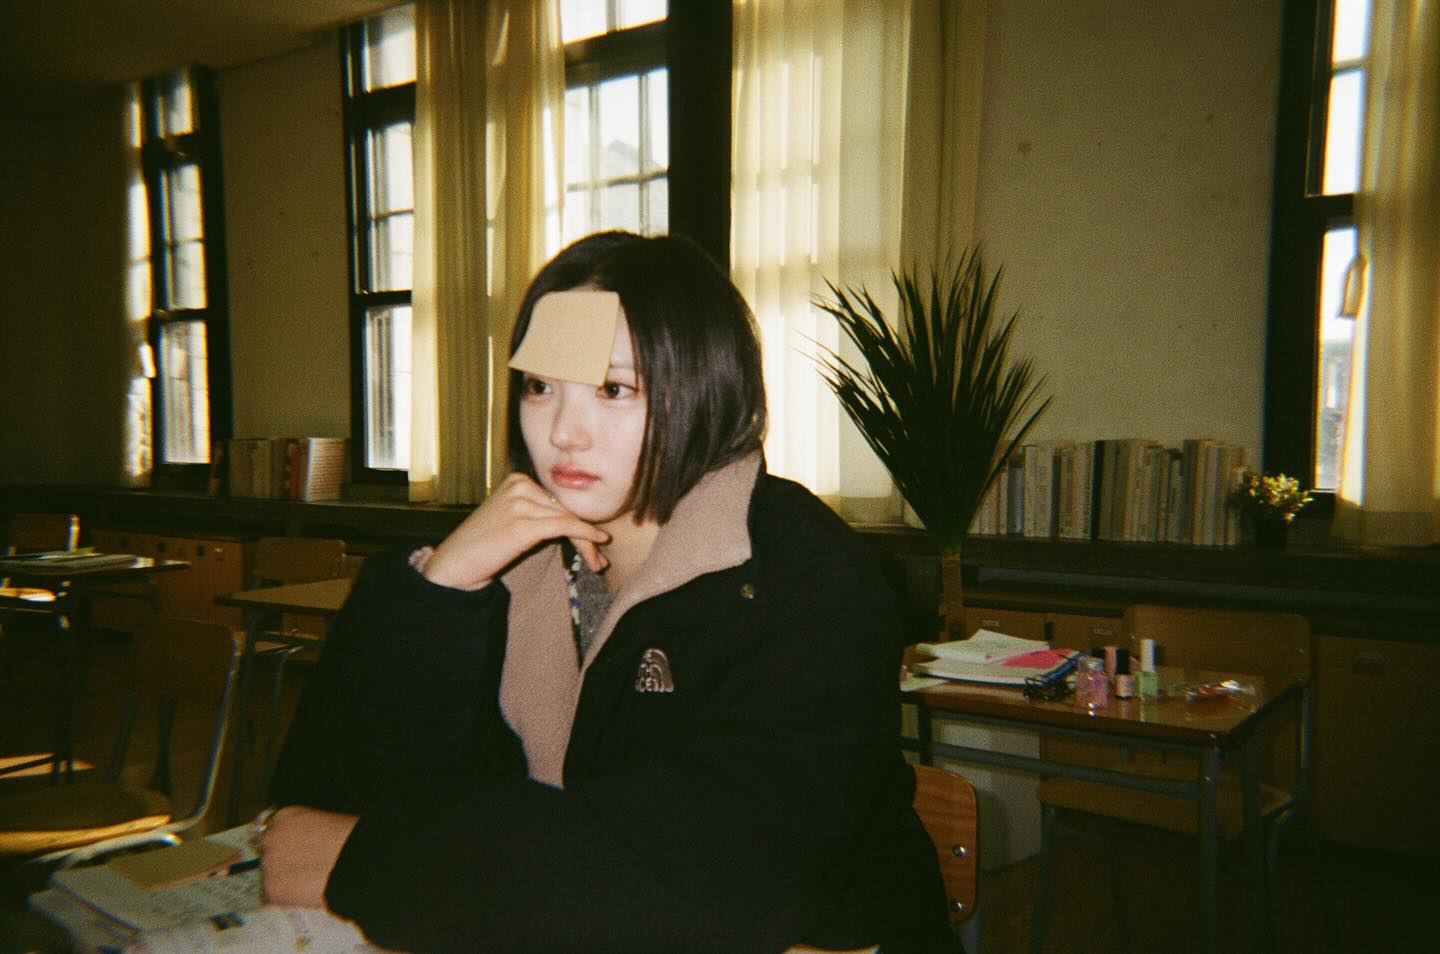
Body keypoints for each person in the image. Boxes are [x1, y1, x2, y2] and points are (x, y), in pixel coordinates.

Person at [261, 231, 959, 953]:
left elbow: (718, 885)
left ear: (704, 389)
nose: (565, 433)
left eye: (614, 390)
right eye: (540, 386)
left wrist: (376, 861)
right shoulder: (509, 559)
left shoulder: (807, 580)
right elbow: (314, 808)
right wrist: (440, 586)